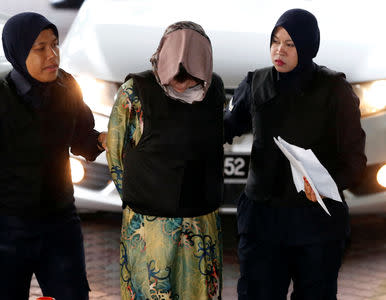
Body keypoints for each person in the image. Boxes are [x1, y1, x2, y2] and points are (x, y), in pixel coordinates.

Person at [0, 12, 106, 300]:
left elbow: (84, 142)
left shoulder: (68, 87)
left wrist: (105, 139)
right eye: (40, 48)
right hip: (4, 233)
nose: (52, 55)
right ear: (18, 51)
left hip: (61, 227)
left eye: (55, 45)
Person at [224, 9, 366, 299]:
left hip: (315, 225)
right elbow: (225, 128)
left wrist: (327, 186)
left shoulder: (334, 90)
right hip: (262, 223)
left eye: (290, 44)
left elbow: (355, 161)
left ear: (307, 46)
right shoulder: (256, 83)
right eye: (275, 41)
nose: (280, 50)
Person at [107, 21, 225, 300]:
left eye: (191, 76)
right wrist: (143, 197)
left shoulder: (215, 89)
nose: (182, 84)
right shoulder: (134, 91)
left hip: (201, 225)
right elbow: (116, 152)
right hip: (149, 229)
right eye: (176, 73)